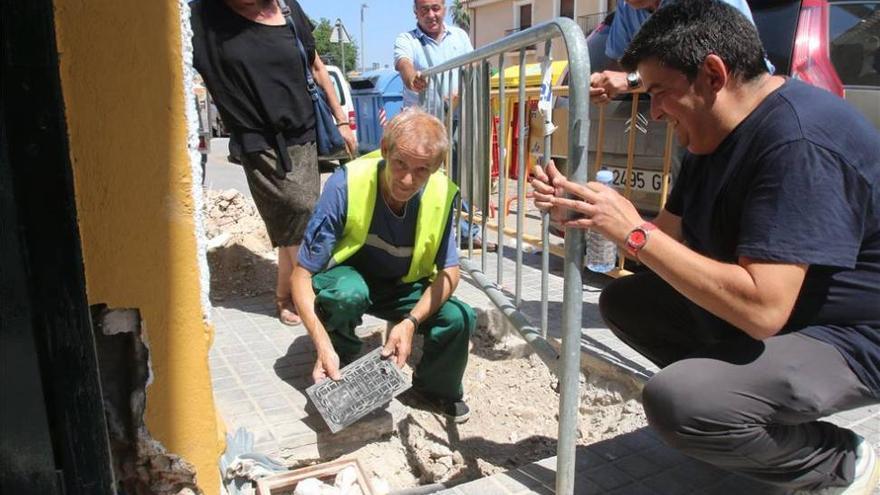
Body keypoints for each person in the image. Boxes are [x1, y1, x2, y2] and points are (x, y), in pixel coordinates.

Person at [532, 0, 880, 492]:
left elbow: (762, 309)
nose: (652, 111)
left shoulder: (798, 140)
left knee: (683, 402)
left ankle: (841, 463)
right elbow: (668, 240)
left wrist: (634, 230)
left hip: (854, 337)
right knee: (631, 303)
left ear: (713, 74)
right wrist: (590, 220)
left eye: (660, 93)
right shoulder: (710, 135)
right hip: (793, 316)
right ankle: (746, 420)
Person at [291, 108, 475, 423]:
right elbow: (301, 275)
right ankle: (338, 364)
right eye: (400, 163)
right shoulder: (346, 184)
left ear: (435, 168)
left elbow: (450, 271)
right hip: (349, 278)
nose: (407, 179)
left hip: (401, 285)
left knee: (459, 317)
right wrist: (320, 343)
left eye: (421, 170)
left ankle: (433, 390)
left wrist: (410, 323)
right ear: (385, 150)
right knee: (346, 294)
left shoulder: (441, 194)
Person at [191, 0, 357, 326]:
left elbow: (316, 66)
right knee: (301, 213)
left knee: (293, 226)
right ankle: (315, 307)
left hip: (304, 135)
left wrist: (341, 120)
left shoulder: (286, 7)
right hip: (257, 142)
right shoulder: (202, 16)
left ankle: (285, 296)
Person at [394, 0, 495, 252]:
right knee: (422, 177)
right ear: (415, 11)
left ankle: (467, 233)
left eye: (436, 8)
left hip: (458, 119)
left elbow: (471, 65)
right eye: (424, 9)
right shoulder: (407, 38)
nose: (431, 14)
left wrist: (460, 91)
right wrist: (412, 78)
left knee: (462, 176)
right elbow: (403, 62)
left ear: (445, 9)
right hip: (422, 126)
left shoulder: (459, 36)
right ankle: (421, 233)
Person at [589, 0, 765, 104]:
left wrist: (631, 81)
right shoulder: (627, 7)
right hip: (686, 114)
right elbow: (621, 63)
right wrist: (605, 83)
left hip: (736, 106)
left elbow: (702, 68)